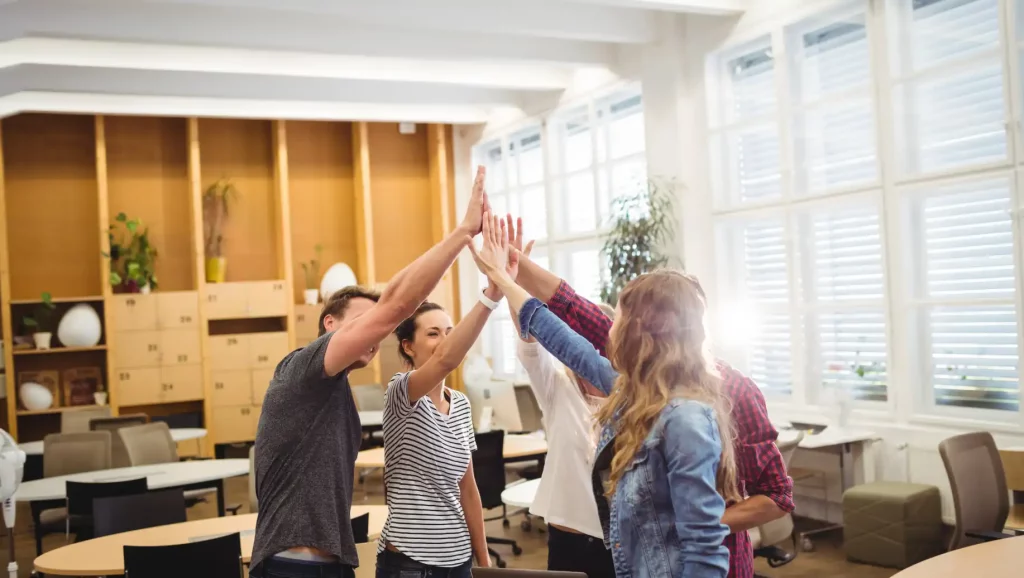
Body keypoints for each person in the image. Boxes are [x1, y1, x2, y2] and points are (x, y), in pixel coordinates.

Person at [507, 217, 795, 578]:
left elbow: (776, 497)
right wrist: (510, 271)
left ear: (653, 330)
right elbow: (571, 317)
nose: (613, 327)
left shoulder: (729, 394)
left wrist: (679, 519)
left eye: (623, 319)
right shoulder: (638, 382)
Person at [249, 167, 490, 578]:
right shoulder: (300, 368)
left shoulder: (335, 390)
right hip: (292, 564)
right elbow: (396, 306)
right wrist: (464, 232)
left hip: (334, 561)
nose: (375, 334)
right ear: (329, 325)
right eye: (364, 322)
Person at [468, 214, 736, 577]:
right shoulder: (635, 393)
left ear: (643, 332)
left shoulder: (685, 418)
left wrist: (506, 277)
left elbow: (704, 551)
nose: (611, 331)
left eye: (621, 319)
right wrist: (504, 280)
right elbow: (566, 343)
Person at [507, 232, 614, 577]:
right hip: (567, 536)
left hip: (617, 538)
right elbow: (530, 346)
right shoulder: (558, 386)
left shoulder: (630, 397)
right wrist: (512, 282)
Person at [374, 294, 502, 576]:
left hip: (458, 558)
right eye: (433, 334)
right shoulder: (401, 391)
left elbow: (468, 489)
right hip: (410, 562)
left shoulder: (460, 404)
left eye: (449, 332)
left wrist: (484, 560)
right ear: (408, 347)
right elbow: (445, 360)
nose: (445, 341)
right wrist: (491, 296)